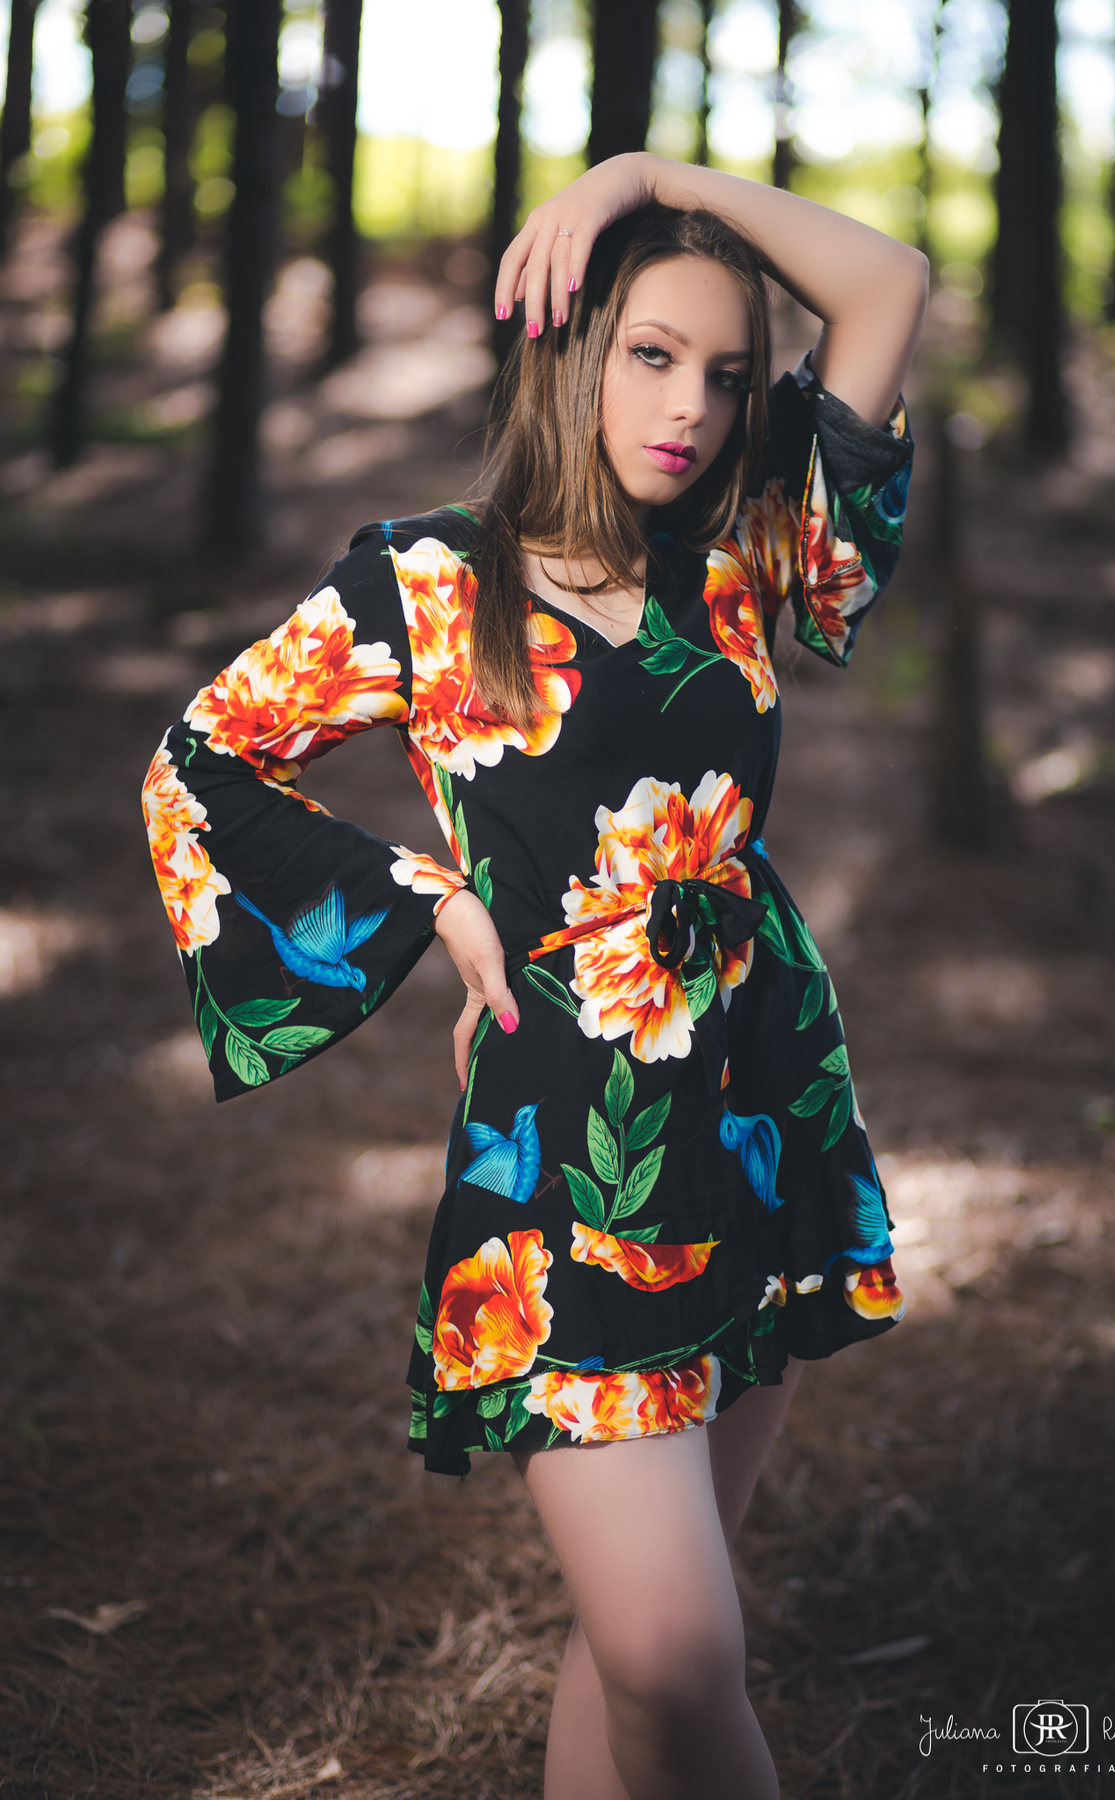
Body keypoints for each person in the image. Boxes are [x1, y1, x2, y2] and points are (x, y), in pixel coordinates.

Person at [143, 152, 925, 1800]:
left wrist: (652, 175)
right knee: (675, 1653)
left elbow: (888, 284)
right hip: (567, 1145)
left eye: (728, 373)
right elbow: (204, 762)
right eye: (651, 353)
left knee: (635, 1651)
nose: (694, 407)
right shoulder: (433, 583)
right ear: (572, 351)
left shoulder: (749, 550)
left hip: (756, 1105)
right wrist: (424, 898)